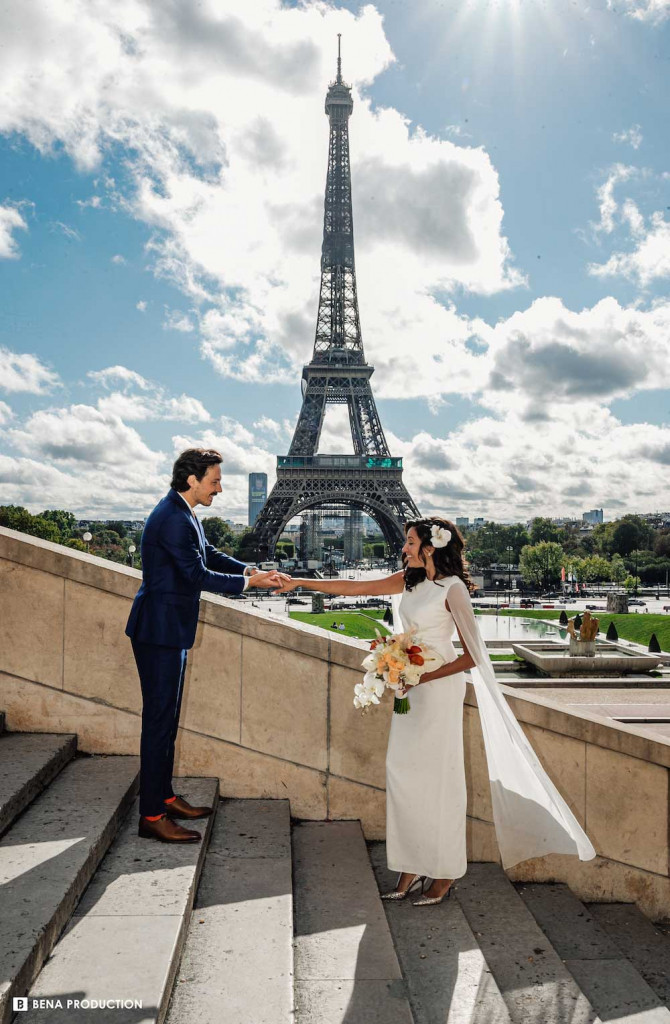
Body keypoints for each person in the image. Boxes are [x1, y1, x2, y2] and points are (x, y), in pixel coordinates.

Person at [273, 516, 595, 904]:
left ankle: (443, 872)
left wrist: (421, 678)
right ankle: (411, 863)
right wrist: (299, 582)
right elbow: (353, 586)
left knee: (439, 781)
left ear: (430, 547)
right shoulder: (411, 580)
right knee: (403, 773)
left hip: (437, 689)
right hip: (411, 686)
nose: (403, 548)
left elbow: (474, 655)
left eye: (409, 542)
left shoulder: (453, 588)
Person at [126, 448, 288, 844]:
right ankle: (151, 815)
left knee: (166, 722)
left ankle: (163, 796)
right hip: (160, 632)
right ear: (192, 479)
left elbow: (209, 554)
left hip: (167, 630)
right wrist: (250, 584)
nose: (220, 487)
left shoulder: (181, 513)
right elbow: (197, 574)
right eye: (214, 480)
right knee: (159, 724)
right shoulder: (173, 518)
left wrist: (249, 569)